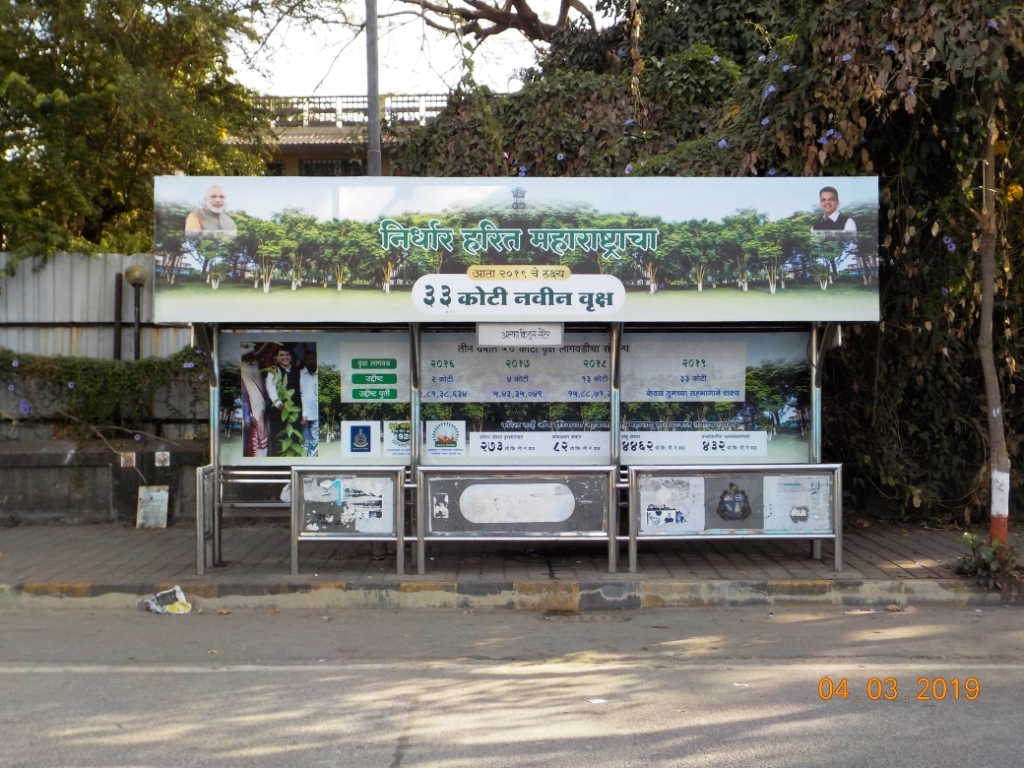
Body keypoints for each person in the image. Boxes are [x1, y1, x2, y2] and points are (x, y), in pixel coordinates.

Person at [264, 346, 302, 457]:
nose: (284, 357)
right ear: (277, 357)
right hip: (278, 411)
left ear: (291, 357)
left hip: (294, 409)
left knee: (294, 436)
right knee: (279, 436)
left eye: (287, 355)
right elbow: (270, 389)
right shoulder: (274, 370)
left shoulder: (296, 371)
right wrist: (279, 404)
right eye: (281, 355)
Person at [240, 343, 270, 457]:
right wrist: (248, 417)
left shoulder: (259, 375)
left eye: (252, 358)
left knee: (264, 439)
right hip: (251, 417)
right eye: (246, 359)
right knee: (253, 445)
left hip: (263, 413)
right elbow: (243, 400)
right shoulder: (243, 378)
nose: (250, 361)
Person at [299, 349, 319, 457]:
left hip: (316, 412)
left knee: (315, 440)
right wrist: (303, 413)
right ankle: (303, 461)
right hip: (304, 414)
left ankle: (312, 462)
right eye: (308, 359)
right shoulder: (301, 374)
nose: (311, 361)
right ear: (305, 361)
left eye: (313, 359)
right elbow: (301, 394)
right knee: (305, 440)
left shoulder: (320, 374)